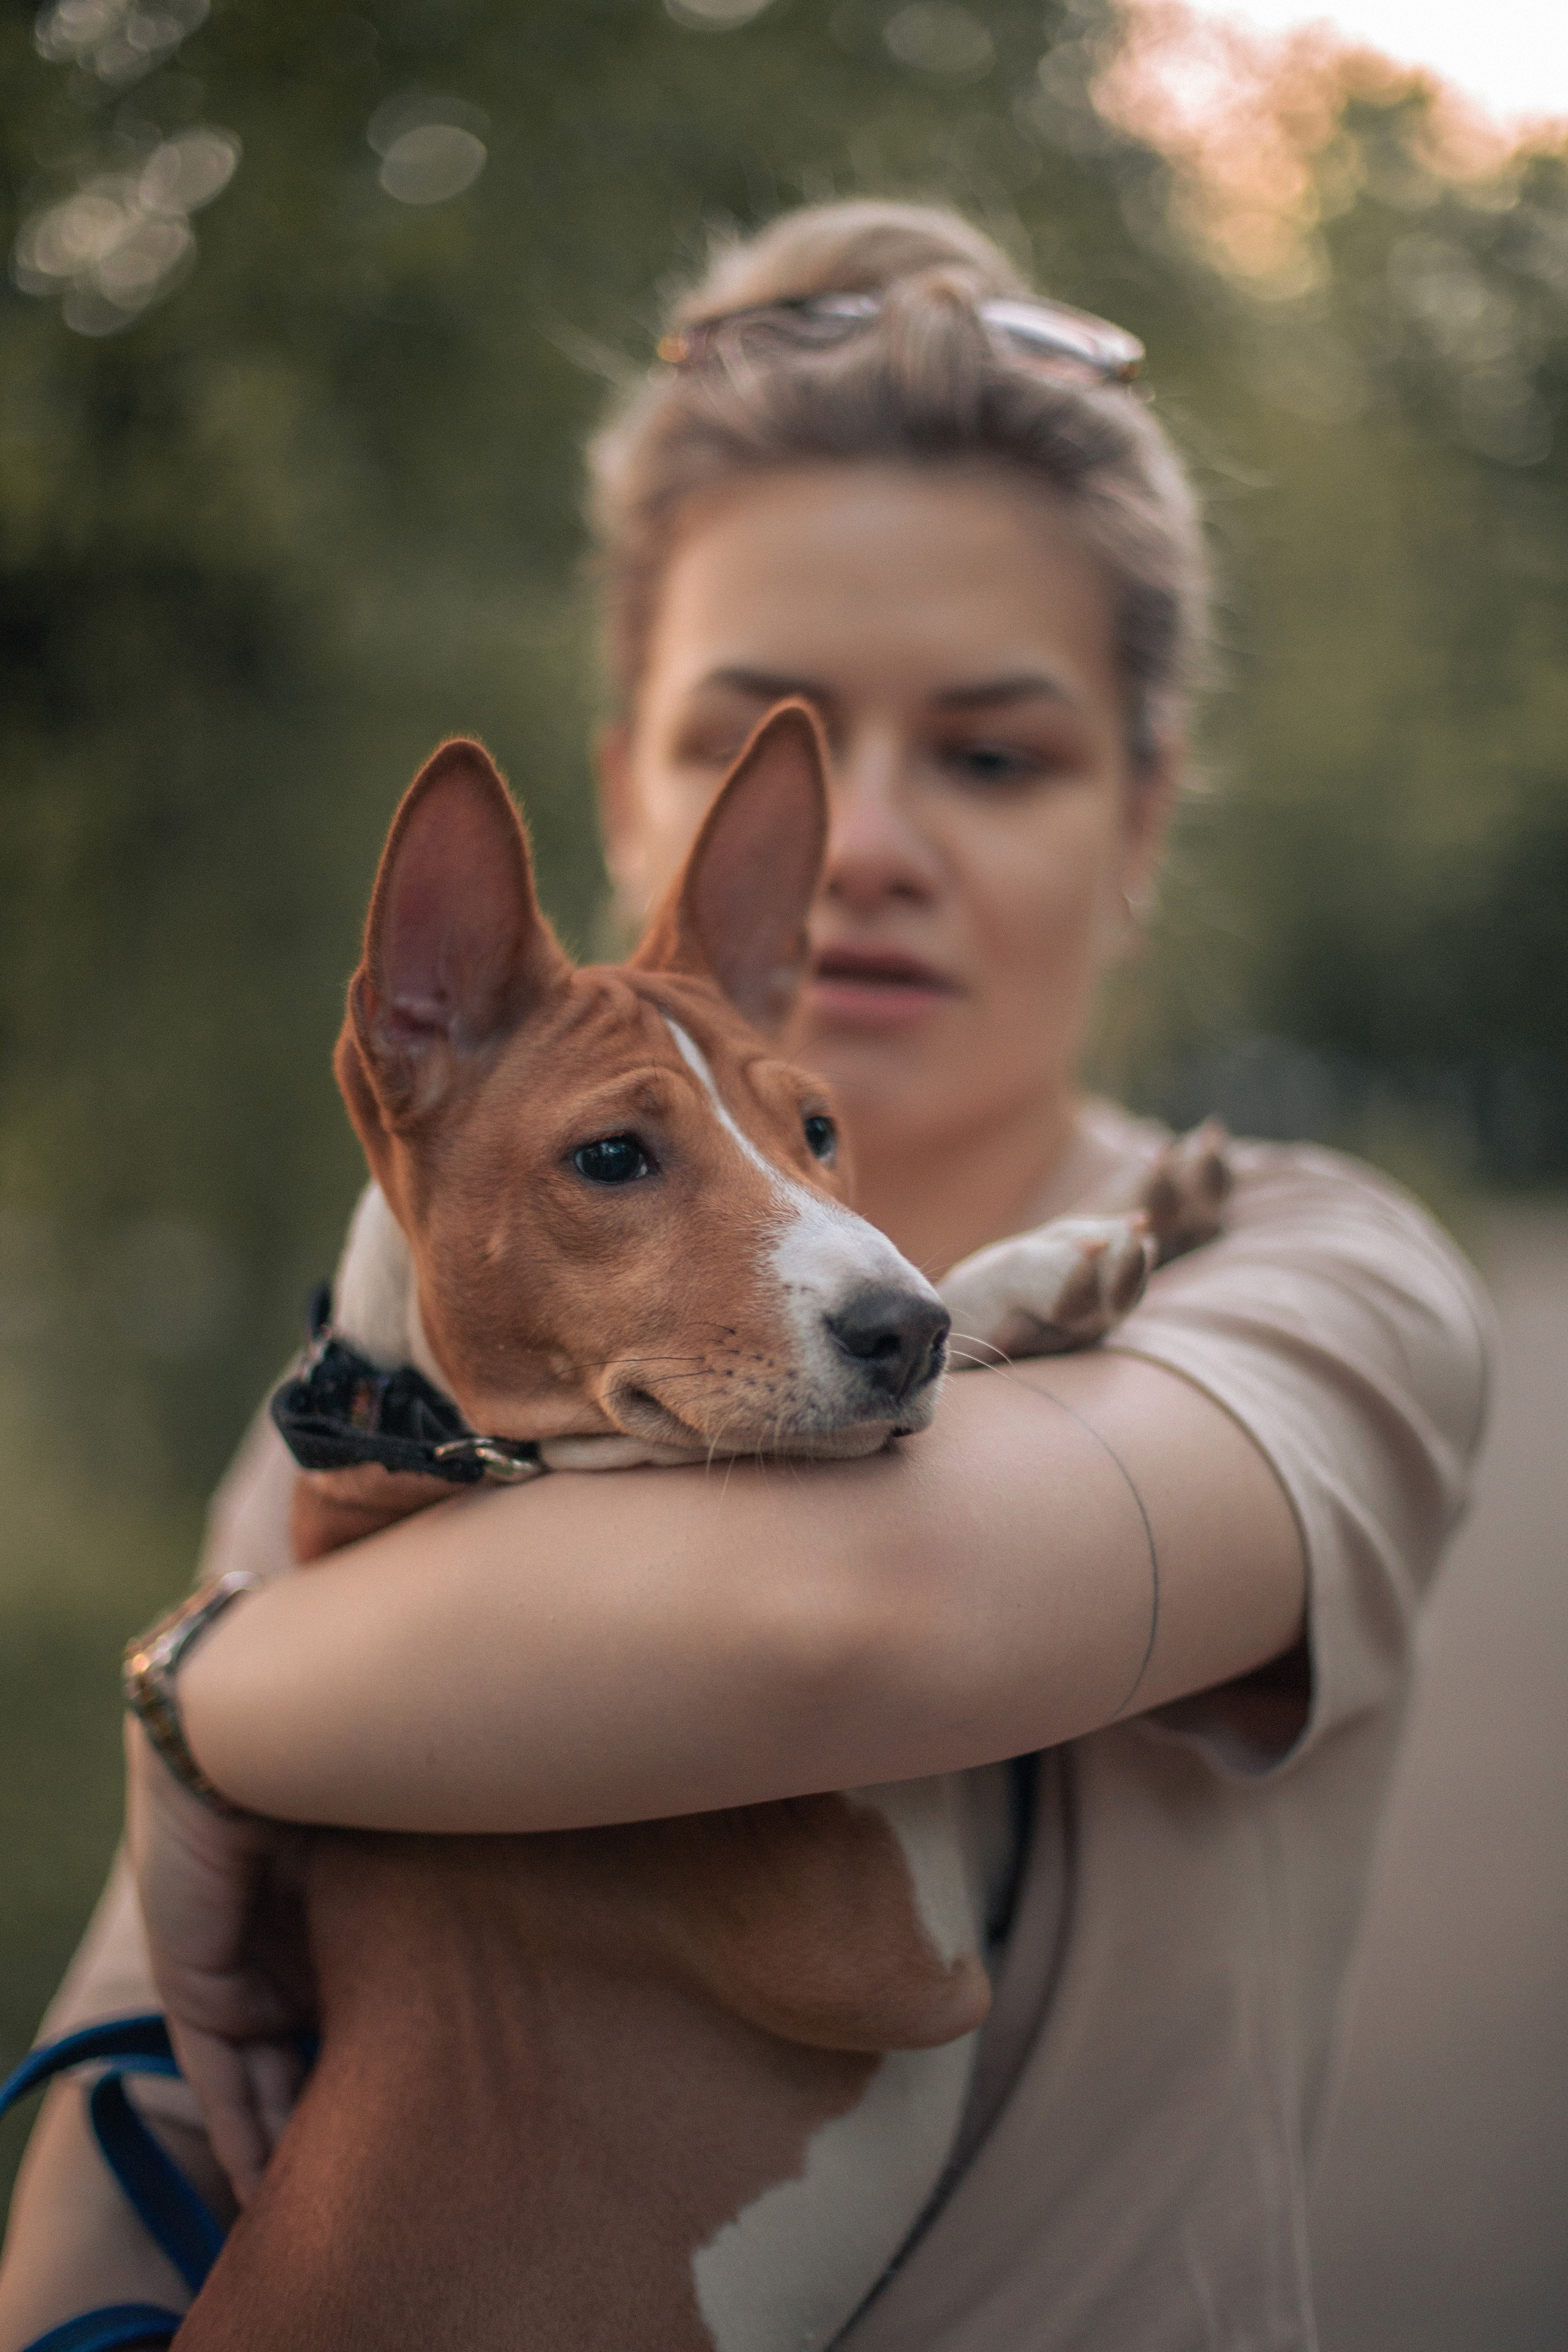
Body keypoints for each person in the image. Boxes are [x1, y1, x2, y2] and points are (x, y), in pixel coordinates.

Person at [0, 200, 1490, 2350]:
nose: (870, 837)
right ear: (628, 789)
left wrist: (197, 1702)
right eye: (755, 735)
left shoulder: (1303, 1273)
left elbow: (854, 1615)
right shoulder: (389, 1385)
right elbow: (119, 2128)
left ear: (1149, 810)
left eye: (993, 749)